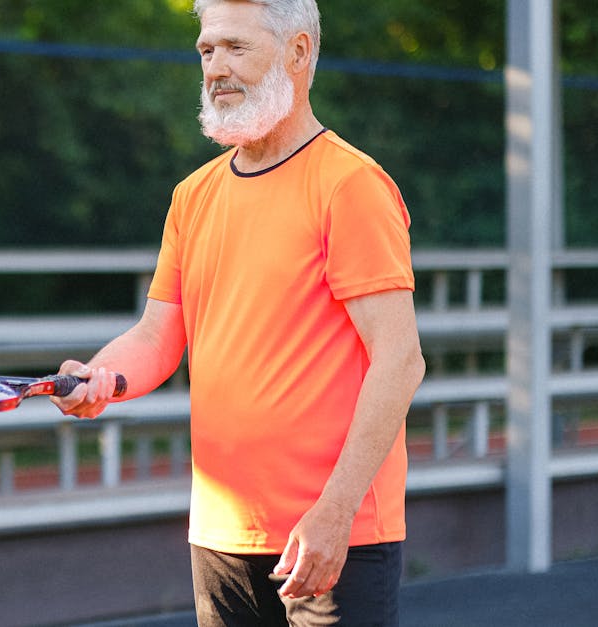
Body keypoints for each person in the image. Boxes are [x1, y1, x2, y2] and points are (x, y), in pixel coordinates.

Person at [51, 0, 425, 625]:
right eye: (206, 50)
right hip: (221, 537)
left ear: (299, 52)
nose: (215, 67)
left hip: (332, 539)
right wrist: (103, 377)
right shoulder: (192, 196)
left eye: (236, 48)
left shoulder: (350, 185)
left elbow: (400, 361)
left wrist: (335, 513)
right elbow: (157, 335)